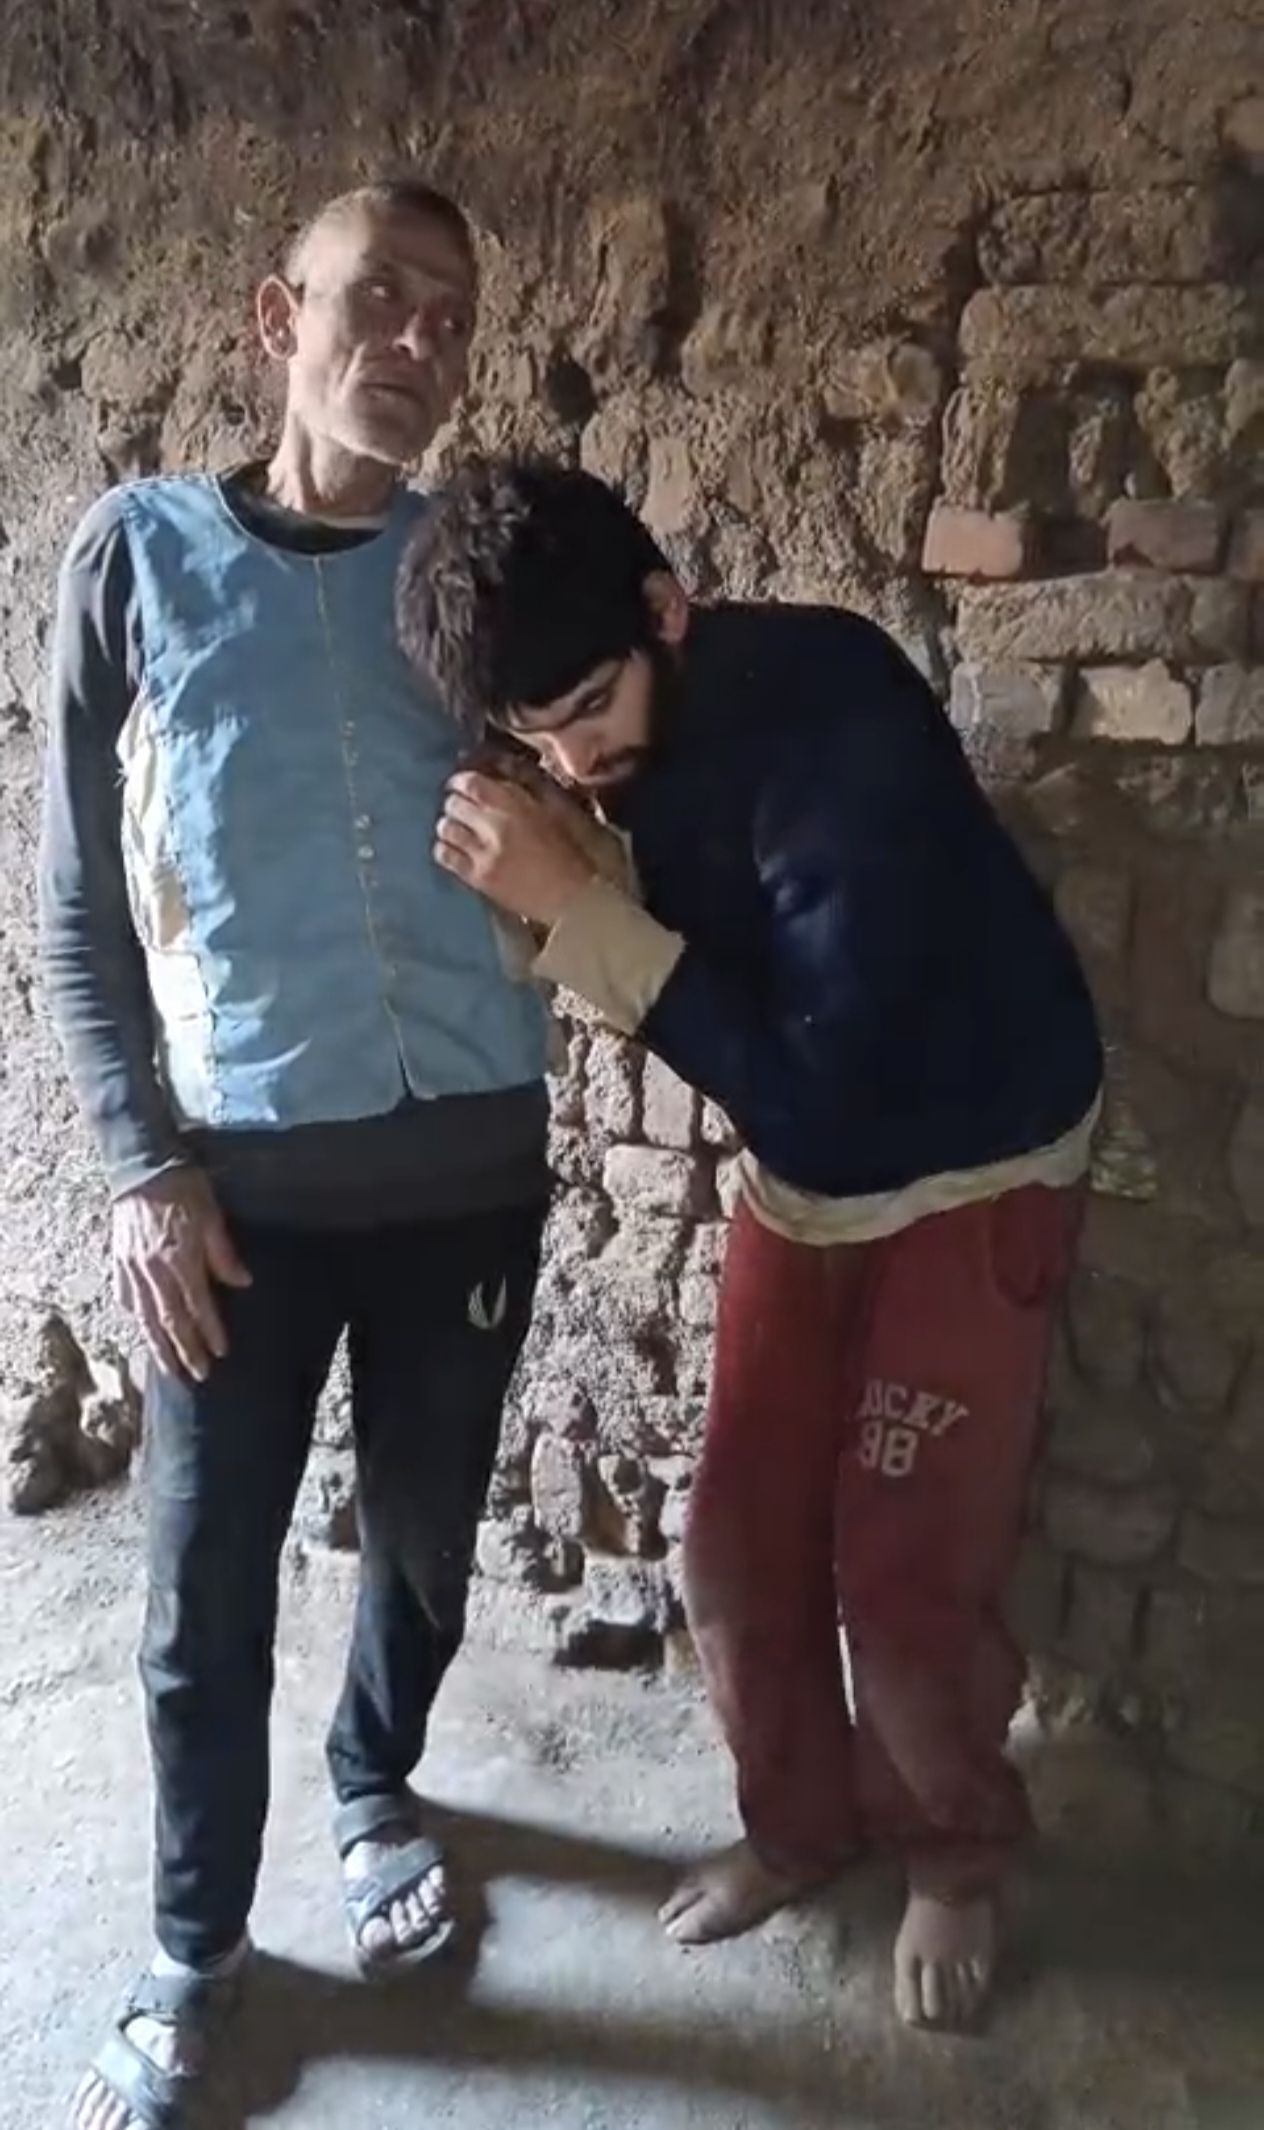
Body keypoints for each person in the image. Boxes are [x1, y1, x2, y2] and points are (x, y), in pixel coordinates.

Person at [397, 457, 1104, 2033]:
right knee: (732, 1544)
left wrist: (582, 910)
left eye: (589, 709)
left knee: (905, 1576)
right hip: (813, 1167)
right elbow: (787, 1095)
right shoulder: (592, 724)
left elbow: (833, 1103)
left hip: (974, 1155)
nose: (573, 761)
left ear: (667, 609)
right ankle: (798, 1826)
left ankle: (956, 1849)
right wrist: (563, 869)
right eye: (532, 737)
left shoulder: (835, 730)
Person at [40, 188, 554, 2130]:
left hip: (467, 1167)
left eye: (452, 314)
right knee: (201, 1589)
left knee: (423, 1538)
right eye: (377, 300)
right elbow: (77, 909)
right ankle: (195, 1944)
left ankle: (373, 1786)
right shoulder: (138, 557)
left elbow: (628, 735)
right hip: (235, 1201)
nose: (416, 342)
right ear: (279, 317)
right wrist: (137, 1162)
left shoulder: (476, 569)